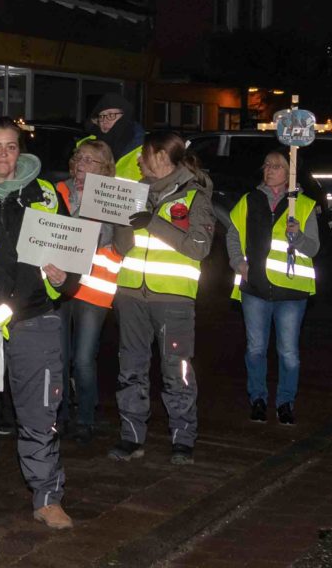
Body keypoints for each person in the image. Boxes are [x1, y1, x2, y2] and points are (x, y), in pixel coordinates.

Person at [0, 117, 79, 530]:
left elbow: (71, 252)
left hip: (35, 317)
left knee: (41, 412)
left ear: (21, 150)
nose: (4, 155)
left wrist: (66, 277)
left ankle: (47, 498)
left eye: (11, 146)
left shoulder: (45, 194)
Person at [108, 131, 214, 465]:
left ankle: (183, 439)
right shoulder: (134, 193)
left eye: (145, 154)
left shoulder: (195, 196)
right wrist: (123, 221)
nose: (139, 160)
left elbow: (199, 247)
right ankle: (131, 436)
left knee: (177, 370)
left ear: (162, 157)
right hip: (130, 294)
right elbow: (122, 247)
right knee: (130, 368)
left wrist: (152, 222)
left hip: (173, 298)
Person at [227, 149, 320, 426]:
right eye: (266, 165)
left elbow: (314, 248)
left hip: (290, 293)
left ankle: (285, 403)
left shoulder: (303, 205)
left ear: (289, 173)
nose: (269, 170)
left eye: (276, 166)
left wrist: (299, 237)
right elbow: (232, 234)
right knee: (255, 349)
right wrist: (237, 263)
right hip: (254, 288)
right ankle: (257, 399)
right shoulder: (248, 200)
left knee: (288, 352)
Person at [56, 140, 123, 443]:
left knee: (83, 359)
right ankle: (58, 417)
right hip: (58, 285)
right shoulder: (58, 191)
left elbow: (121, 243)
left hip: (94, 287)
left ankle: (85, 417)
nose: (82, 164)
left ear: (104, 168)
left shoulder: (114, 196)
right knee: (58, 357)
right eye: (79, 158)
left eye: (91, 161)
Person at [80, 93, 145, 181]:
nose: (104, 121)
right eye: (101, 116)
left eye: (111, 115)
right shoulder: (87, 144)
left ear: (125, 116)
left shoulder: (144, 146)